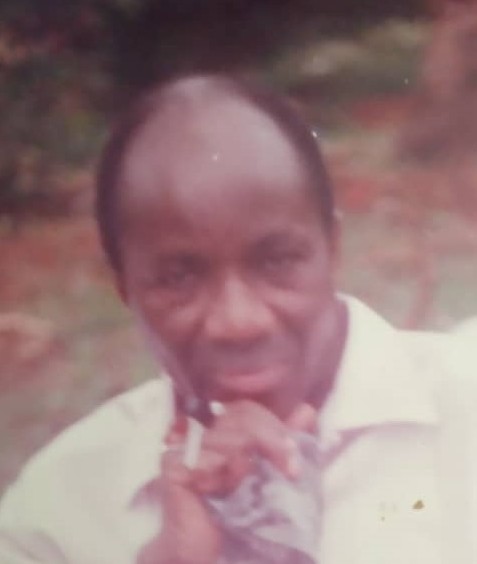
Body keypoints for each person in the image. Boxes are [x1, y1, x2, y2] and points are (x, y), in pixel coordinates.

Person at [1, 74, 476, 564]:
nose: (238, 322)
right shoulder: (57, 513)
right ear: (125, 288)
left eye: (277, 261)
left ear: (331, 248)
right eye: (179, 277)